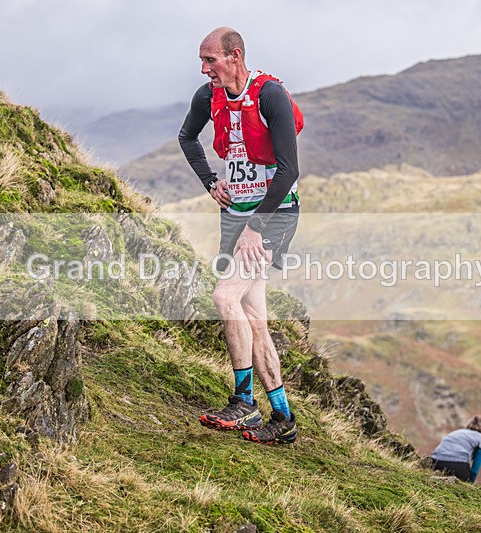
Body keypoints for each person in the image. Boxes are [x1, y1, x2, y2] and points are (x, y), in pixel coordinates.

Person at [178, 27, 303, 444]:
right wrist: (211, 182)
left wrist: (255, 227)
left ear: (234, 56)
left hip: (275, 215)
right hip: (235, 215)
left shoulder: (270, 95)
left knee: (224, 297)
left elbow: (288, 171)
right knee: (255, 319)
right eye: (202, 60)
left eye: (210, 60)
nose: (203, 69)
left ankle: (245, 402)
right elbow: (186, 137)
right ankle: (283, 419)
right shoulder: (207, 97)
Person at [430, 415, 481, 483]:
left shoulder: (458, 432)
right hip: (457, 466)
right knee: (464, 478)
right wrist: (470, 482)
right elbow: (476, 465)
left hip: (435, 462)